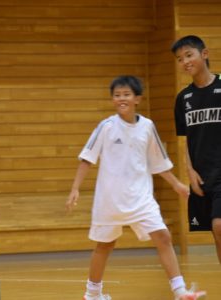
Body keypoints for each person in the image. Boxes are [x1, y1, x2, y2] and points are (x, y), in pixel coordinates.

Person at [66, 75, 206, 300]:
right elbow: (87, 159)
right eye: (117, 95)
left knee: (163, 236)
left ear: (137, 98)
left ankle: (180, 291)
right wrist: (75, 188)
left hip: (141, 199)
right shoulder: (107, 126)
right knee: (105, 245)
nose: (121, 99)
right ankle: (92, 294)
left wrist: (177, 185)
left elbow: (158, 162)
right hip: (110, 200)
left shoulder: (148, 127)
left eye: (126, 94)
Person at [172, 35, 221, 264]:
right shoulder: (183, 99)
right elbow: (184, 140)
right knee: (216, 233)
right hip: (202, 175)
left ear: (205, 54)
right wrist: (190, 172)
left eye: (189, 55)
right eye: (180, 59)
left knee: (219, 225)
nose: (185, 62)